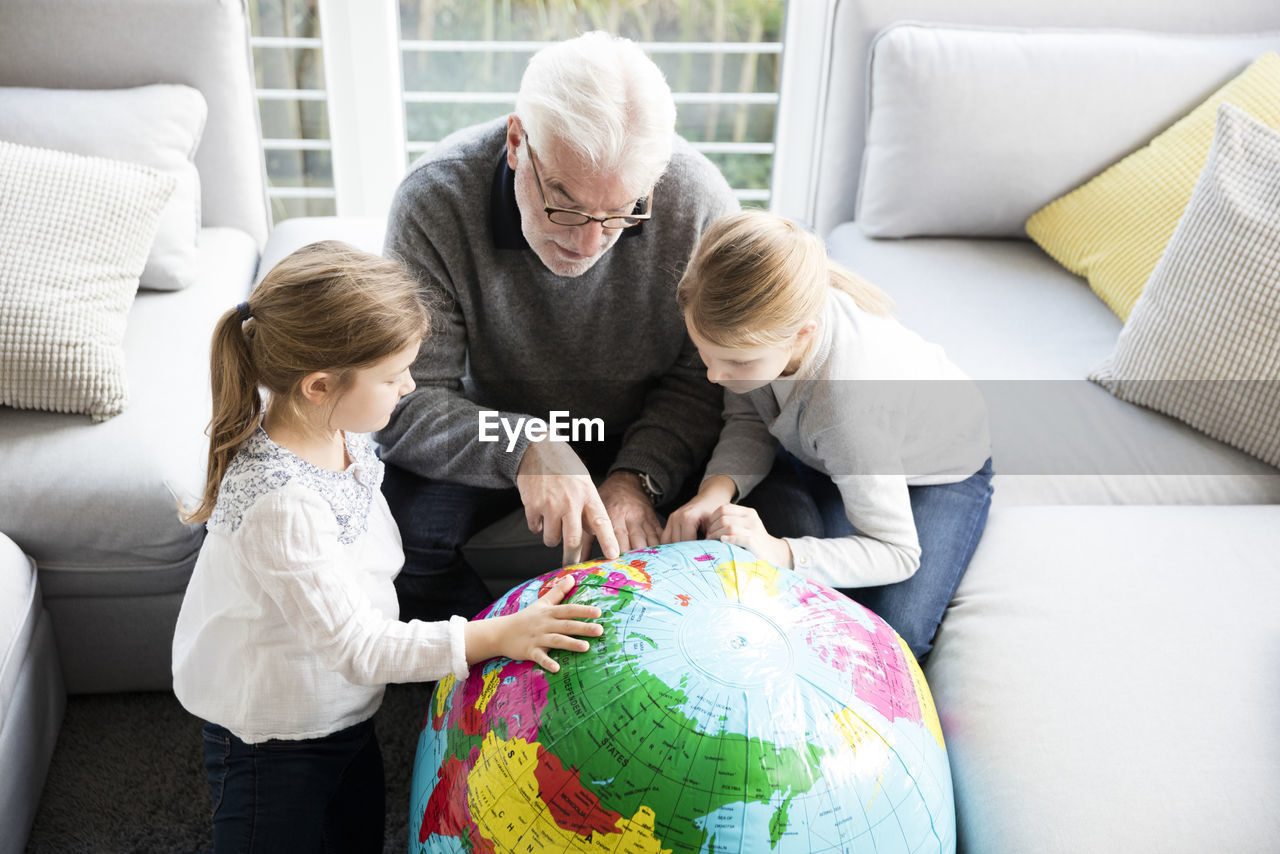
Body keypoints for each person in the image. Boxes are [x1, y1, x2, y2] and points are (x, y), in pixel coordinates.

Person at [171, 242, 602, 854]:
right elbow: (360, 648)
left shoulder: (346, 433)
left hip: (342, 708)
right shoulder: (283, 504)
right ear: (320, 386)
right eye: (395, 374)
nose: (411, 386)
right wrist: (497, 635)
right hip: (272, 735)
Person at [377, 31, 739, 623]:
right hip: (493, 421)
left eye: (622, 214)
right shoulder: (435, 200)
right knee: (410, 541)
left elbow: (701, 379)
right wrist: (525, 445)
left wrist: (637, 476)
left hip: (639, 427)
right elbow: (407, 401)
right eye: (565, 205)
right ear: (518, 143)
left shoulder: (696, 200)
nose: (588, 243)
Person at [662, 210, 993, 660]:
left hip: (935, 467)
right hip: (824, 449)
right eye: (705, 354)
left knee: (889, 638)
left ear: (802, 336)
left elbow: (897, 551)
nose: (715, 375)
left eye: (737, 363)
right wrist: (714, 493)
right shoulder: (751, 339)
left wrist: (779, 551)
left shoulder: (848, 407)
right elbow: (750, 419)